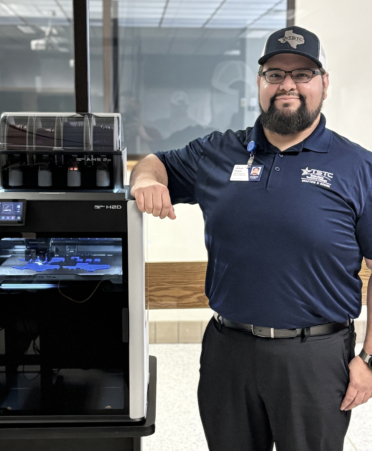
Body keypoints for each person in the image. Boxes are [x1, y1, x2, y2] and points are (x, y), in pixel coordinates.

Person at [130, 25, 372, 451]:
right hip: (228, 353)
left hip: (315, 358)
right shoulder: (218, 151)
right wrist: (145, 182)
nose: (288, 85)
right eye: (275, 74)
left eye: (303, 74)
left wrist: (369, 359)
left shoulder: (359, 167)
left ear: (324, 84)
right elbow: (154, 162)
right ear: (259, 83)